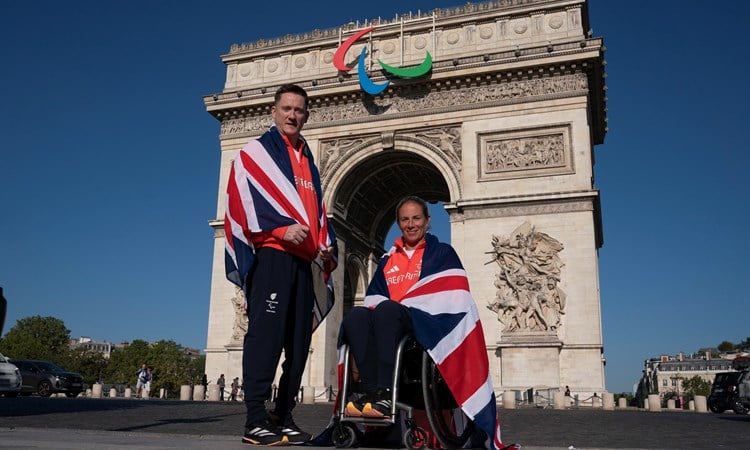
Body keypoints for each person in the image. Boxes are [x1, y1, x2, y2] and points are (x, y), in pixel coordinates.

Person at [339, 196, 517, 449]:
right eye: (404, 219)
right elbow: (373, 296)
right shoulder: (387, 260)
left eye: (416, 218)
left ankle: (386, 395)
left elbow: (453, 293)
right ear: (398, 223)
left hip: (422, 327)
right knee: (356, 316)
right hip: (387, 324)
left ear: (427, 221)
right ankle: (372, 395)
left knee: (388, 310)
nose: (411, 224)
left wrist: (406, 304)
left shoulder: (443, 253)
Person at [224, 84, 338, 446]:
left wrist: (327, 244)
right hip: (273, 256)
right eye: (286, 108)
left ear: (306, 115)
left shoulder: (308, 159)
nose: (292, 115)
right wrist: (277, 227)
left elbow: (316, 209)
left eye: (299, 110)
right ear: (273, 111)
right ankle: (255, 419)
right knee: (266, 337)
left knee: (299, 342)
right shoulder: (255, 153)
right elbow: (241, 195)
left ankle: (282, 414)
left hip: (304, 261)